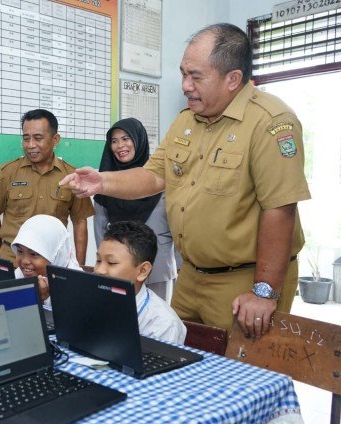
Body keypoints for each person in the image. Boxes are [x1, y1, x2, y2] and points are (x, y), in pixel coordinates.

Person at [60, 23, 310, 338]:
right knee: (175, 355)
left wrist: (264, 291)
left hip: (243, 279)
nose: (185, 86)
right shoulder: (187, 120)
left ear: (232, 79)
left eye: (196, 76)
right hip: (191, 275)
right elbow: (154, 175)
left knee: (234, 367)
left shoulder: (270, 123)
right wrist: (101, 182)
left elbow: (280, 209)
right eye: (183, 74)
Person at [0, 109, 94, 267]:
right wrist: (0, 254)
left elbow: (80, 222)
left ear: (55, 140)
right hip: (13, 260)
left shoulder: (71, 176)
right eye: (26, 138)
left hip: (52, 262)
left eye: (38, 138)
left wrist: (78, 267)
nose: (30, 145)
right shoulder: (8, 172)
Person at [94, 118, 179, 302]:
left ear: (138, 140)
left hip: (158, 267)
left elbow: (179, 225)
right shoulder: (107, 181)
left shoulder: (160, 177)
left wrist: (182, 266)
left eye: (126, 139)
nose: (120, 145)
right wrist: (105, 263)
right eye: (114, 141)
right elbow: (100, 229)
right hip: (118, 270)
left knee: (157, 317)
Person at [95, 221, 186, 344]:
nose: (99, 270)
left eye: (112, 263)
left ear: (143, 271)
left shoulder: (162, 324)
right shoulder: (91, 300)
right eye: (98, 260)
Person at [11, 214, 82, 303]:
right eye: (20, 251)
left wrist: (45, 299)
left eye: (33, 254)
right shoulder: (18, 276)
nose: (25, 261)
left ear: (56, 255)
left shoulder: (79, 287)